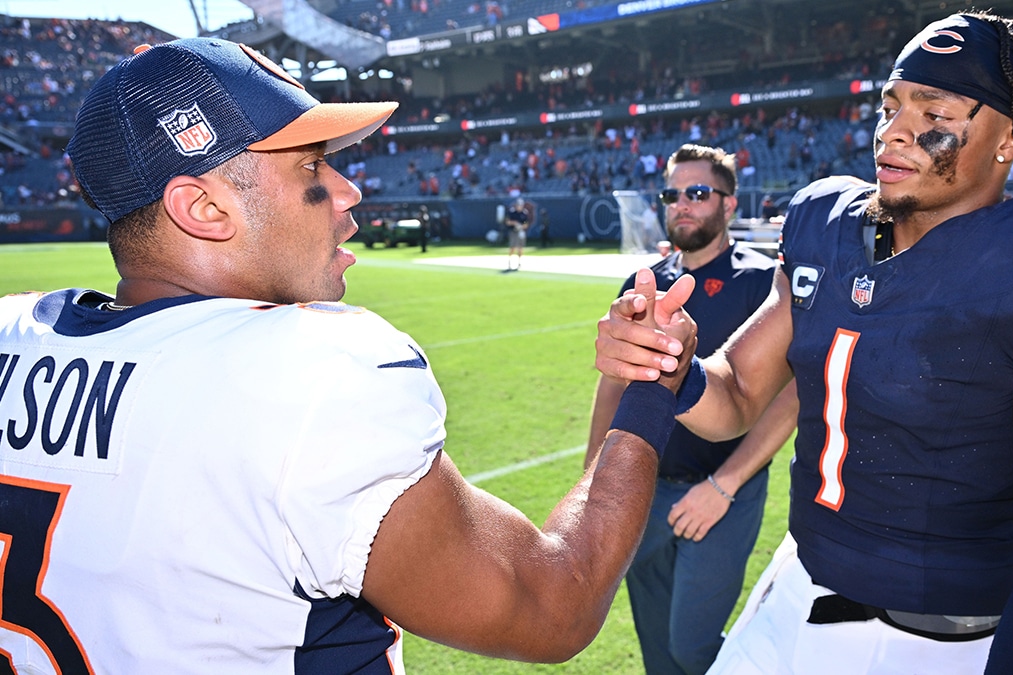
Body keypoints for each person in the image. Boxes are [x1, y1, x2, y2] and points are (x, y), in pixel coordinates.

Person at [0, 38, 697, 674]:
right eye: (312, 167)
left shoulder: (13, 335)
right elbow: (554, 604)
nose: (348, 190)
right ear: (205, 209)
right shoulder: (308, 371)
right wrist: (650, 389)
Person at [594, 12, 1013, 674]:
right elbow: (739, 392)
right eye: (891, 105)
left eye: (933, 111)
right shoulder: (826, 224)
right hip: (793, 590)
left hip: (931, 643)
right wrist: (673, 366)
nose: (894, 129)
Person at [585, 144, 798, 675]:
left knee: (694, 647)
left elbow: (793, 395)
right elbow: (613, 384)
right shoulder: (644, 283)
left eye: (698, 193)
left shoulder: (763, 284)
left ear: (728, 205)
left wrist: (724, 485)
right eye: (672, 194)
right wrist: (594, 479)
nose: (682, 205)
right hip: (645, 487)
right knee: (658, 652)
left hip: (722, 490)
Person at [504, 196, 531, 270]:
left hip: (520, 232)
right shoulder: (512, 212)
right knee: (512, 247)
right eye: (518, 205)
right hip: (513, 231)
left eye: (521, 205)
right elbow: (507, 222)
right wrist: (515, 223)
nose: (519, 206)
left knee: (520, 248)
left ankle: (519, 262)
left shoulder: (524, 213)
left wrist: (521, 226)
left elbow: (526, 223)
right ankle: (510, 261)